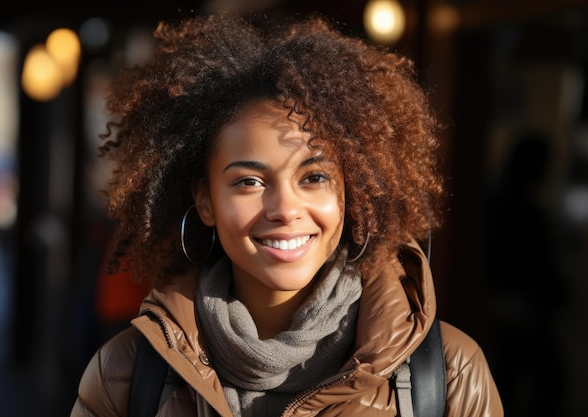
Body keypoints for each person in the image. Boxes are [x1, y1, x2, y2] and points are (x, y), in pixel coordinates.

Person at [70, 13, 503, 417]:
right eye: (248, 182)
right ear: (205, 202)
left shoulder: (449, 374)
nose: (285, 210)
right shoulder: (124, 374)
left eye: (314, 177)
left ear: (352, 191)